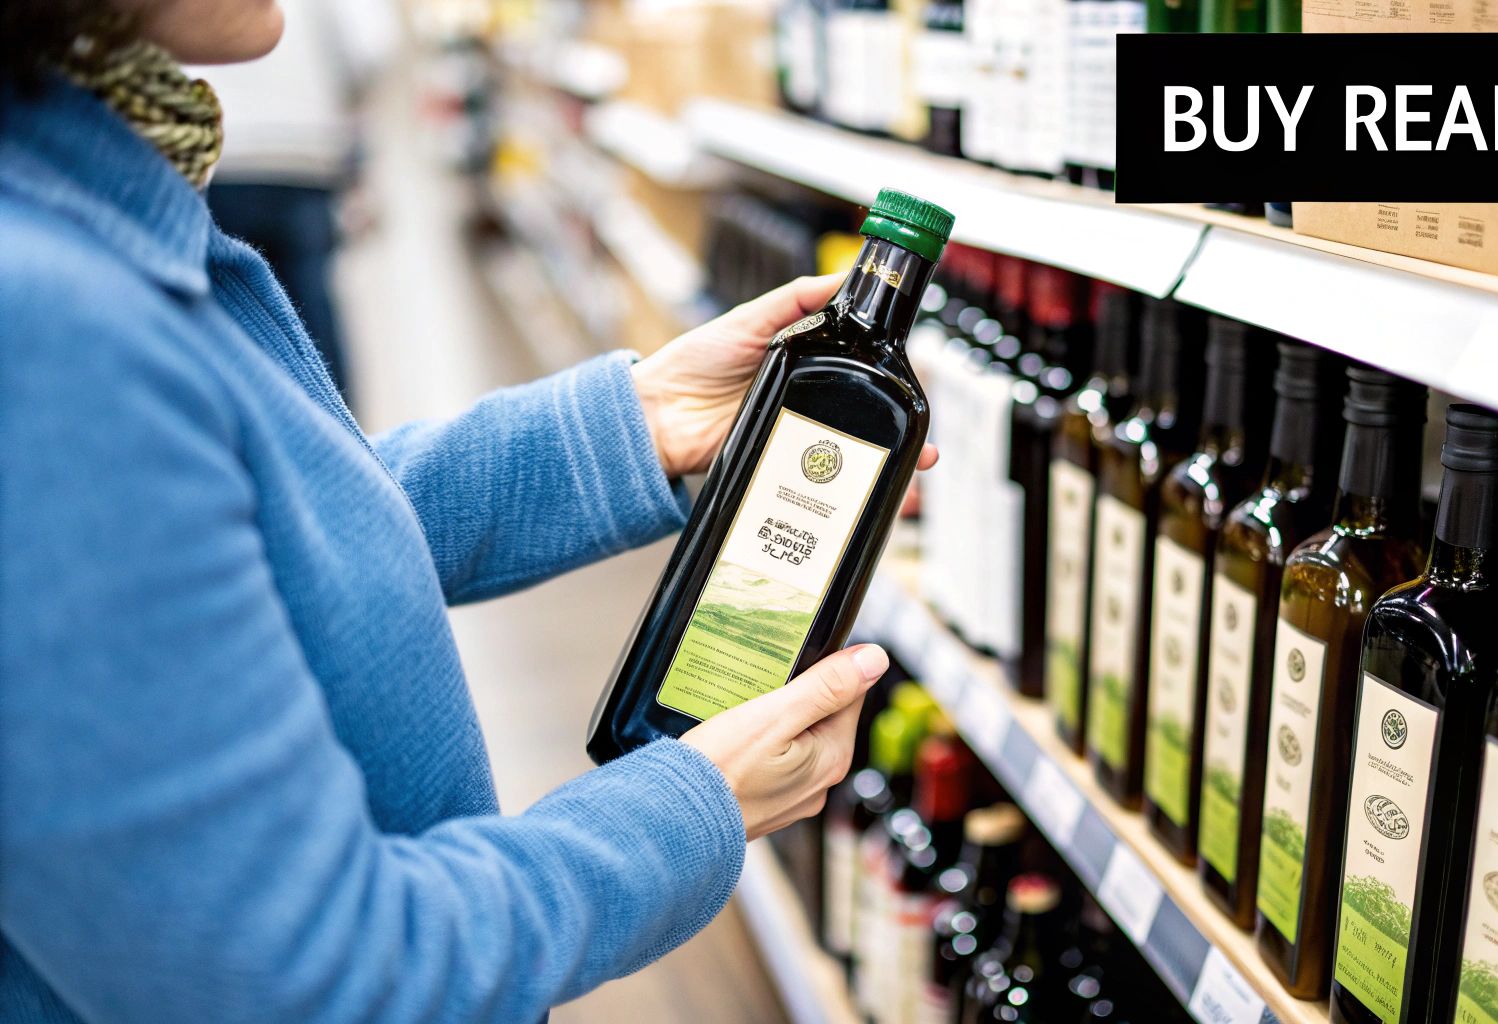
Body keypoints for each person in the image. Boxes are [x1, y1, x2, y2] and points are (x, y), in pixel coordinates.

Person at [0, 2, 936, 1021]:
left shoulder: (78, 203)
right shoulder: (43, 323)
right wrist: (685, 809)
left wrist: (634, 424)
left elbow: (254, 542)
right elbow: (309, 986)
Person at [201, 0, 400, 403]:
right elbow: (372, 45)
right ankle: (334, 435)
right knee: (308, 311)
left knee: (224, 310)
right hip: (303, 155)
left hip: (221, 157)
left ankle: (243, 432)